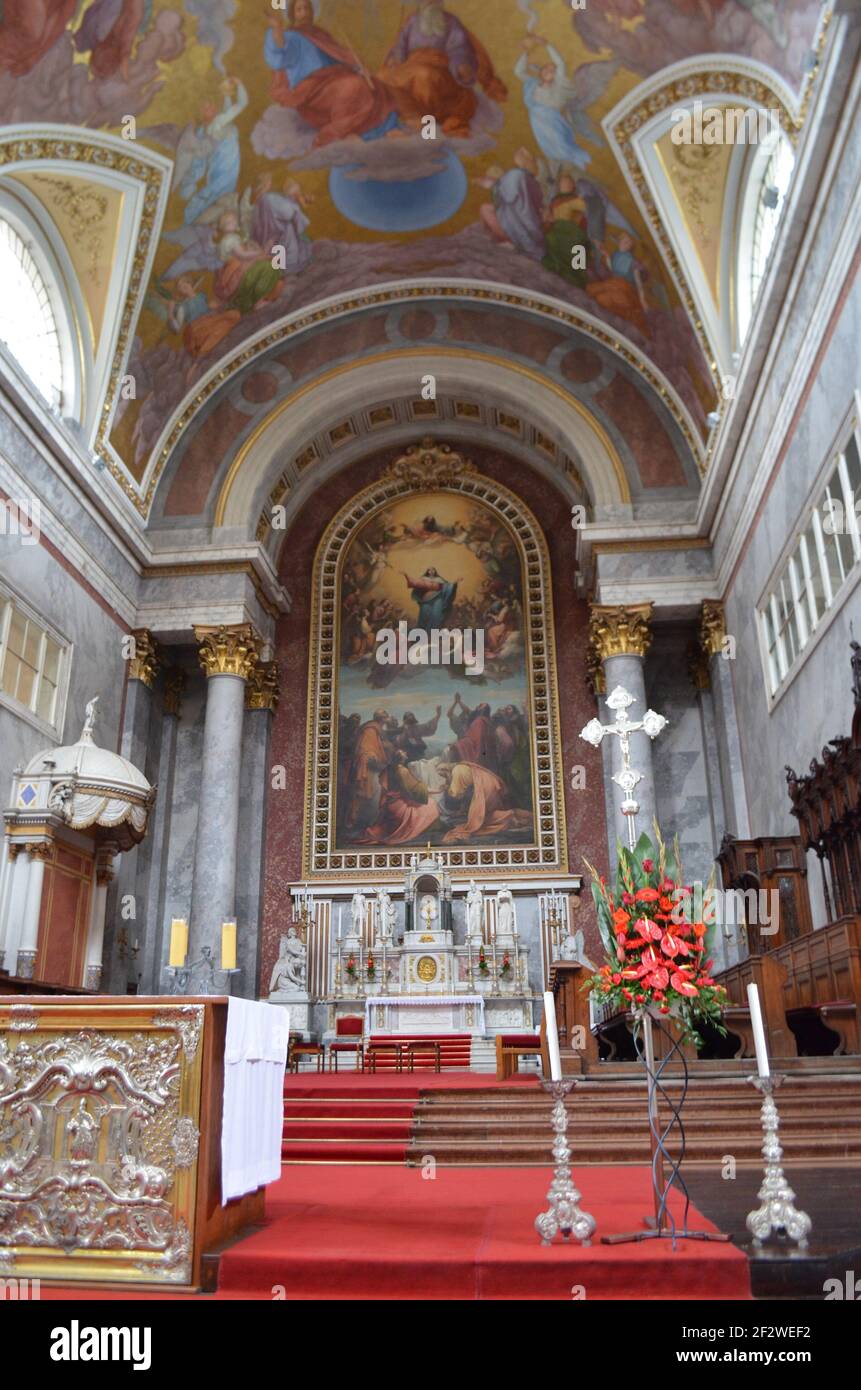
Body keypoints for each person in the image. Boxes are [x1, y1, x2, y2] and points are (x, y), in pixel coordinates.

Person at [265, 1, 399, 147]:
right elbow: (278, 54)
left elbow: (338, 56)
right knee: (353, 87)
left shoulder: (320, 34)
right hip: (313, 90)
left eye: (307, 8)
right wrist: (277, 29)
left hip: (333, 79)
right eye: (299, 9)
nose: (304, 13)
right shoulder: (292, 37)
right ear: (292, 14)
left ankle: (385, 130)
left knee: (377, 86)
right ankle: (332, 135)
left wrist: (357, 67)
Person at [382, 0, 507, 138]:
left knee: (424, 76)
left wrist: (461, 65)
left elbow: (460, 49)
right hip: (412, 67)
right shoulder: (412, 21)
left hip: (441, 72)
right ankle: (414, 119)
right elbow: (400, 46)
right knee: (384, 78)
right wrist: (396, 59)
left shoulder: (451, 22)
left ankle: (426, 131)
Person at [437, 762, 531, 842]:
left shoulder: (457, 770)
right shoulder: (460, 766)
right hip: (489, 786)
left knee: (478, 821)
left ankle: (509, 816)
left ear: (446, 770)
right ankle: (512, 815)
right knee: (486, 815)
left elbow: (456, 793)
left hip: (484, 789)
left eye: (443, 774)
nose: (444, 777)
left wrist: (446, 790)